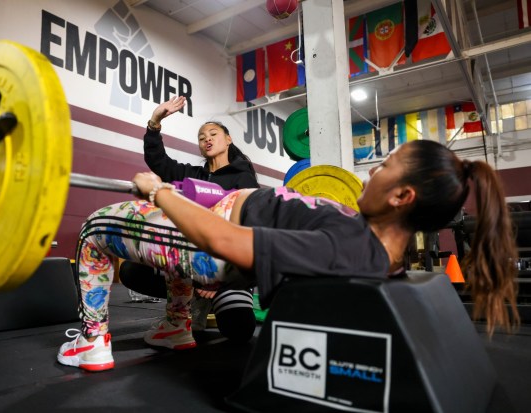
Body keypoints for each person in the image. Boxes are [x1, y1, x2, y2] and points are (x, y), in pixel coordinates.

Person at [57, 139, 519, 372]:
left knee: (96, 229)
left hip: (212, 244)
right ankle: (176, 326)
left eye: (382, 167)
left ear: (401, 196)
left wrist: (159, 193)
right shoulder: (369, 238)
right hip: (218, 216)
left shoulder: (351, 248)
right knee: (169, 230)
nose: (368, 175)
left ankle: (93, 341)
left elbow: (226, 243)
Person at [58, 97, 259, 371]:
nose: (207, 139)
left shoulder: (243, 178)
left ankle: (93, 340)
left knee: (239, 330)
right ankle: (179, 323)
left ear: (228, 139)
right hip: (193, 260)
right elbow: (159, 161)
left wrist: (216, 277)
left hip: (225, 265)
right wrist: (155, 122)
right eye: (202, 137)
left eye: (213, 134)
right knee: (131, 271)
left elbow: (247, 228)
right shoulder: (191, 176)